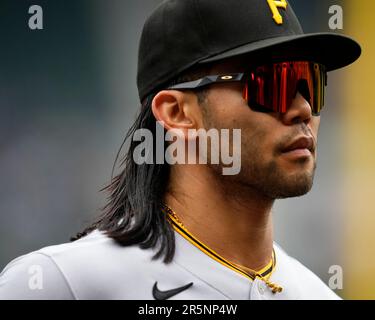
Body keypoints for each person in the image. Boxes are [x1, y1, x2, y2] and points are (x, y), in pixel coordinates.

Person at [0, 0, 361, 300]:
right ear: (176, 113)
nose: (301, 109)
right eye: (272, 84)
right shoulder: (60, 284)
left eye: (310, 83)